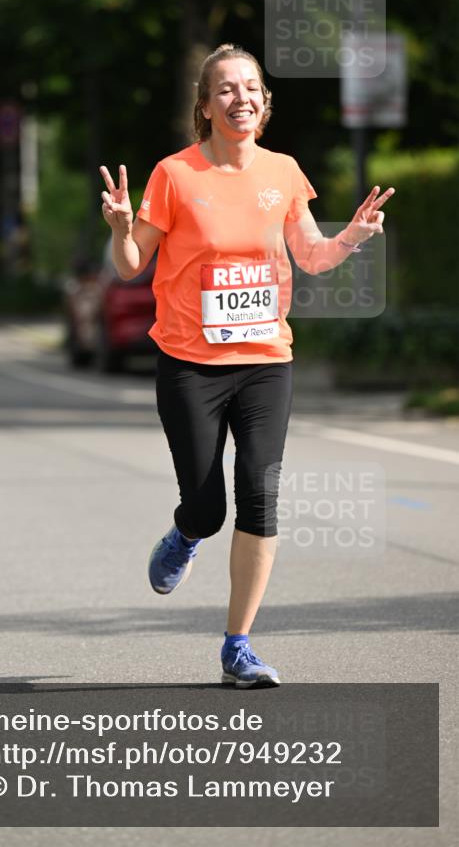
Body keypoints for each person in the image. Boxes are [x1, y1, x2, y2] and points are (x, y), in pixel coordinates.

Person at [99, 43, 394, 688]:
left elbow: (310, 255)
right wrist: (122, 227)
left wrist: (351, 236)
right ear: (204, 108)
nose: (242, 98)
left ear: (264, 103)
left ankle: (238, 645)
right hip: (190, 363)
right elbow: (130, 265)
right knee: (207, 508)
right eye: (226, 90)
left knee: (260, 494)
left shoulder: (283, 172)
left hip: (265, 359)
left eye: (252, 88)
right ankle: (185, 534)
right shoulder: (175, 175)